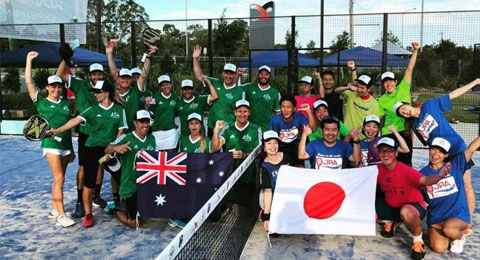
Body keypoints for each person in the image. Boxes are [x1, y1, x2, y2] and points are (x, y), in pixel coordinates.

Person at [394, 78, 480, 223]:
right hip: (441, 157)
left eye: (404, 109)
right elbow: (429, 142)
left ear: (407, 103)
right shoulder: (415, 126)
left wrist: (475, 82)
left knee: (465, 184)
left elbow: (453, 94)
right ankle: (442, 217)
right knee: (444, 187)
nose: (405, 113)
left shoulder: (430, 105)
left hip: (456, 150)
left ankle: (467, 224)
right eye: (402, 114)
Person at [49, 80, 127, 228]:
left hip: (110, 148)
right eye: (94, 92)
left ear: (107, 93)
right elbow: (75, 120)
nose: (95, 95)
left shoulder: (119, 109)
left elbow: (121, 130)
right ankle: (88, 213)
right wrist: (58, 130)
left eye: (98, 92)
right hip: (92, 148)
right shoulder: (92, 110)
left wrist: (113, 148)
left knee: (121, 177)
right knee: (89, 181)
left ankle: (123, 203)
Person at [375, 137, 450, 260]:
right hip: (392, 205)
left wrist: (439, 177)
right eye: (382, 151)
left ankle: (418, 241)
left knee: (406, 212)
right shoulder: (378, 169)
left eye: (389, 151)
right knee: (368, 212)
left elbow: (425, 180)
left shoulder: (406, 170)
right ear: (378, 153)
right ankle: (391, 221)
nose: (385, 154)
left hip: (412, 206)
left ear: (396, 153)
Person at [25, 51, 75, 227]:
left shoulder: (65, 103)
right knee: (59, 178)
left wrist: (72, 150)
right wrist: (29, 60)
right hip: (50, 144)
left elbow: (69, 124)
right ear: (47, 87)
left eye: (58, 86)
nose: (56, 89)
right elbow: (29, 82)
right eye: (52, 86)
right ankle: (61, 215)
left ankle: (54, 208)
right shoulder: (41, 101)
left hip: (66, 144)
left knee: (59, 179)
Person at [56, 57, 105, 217]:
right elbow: (59, 74)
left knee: (100, 165)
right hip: (85, 135)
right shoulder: (80, 85)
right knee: (83, 168)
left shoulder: (106, 89)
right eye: (94, 74)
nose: (97, 77)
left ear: (103, 75)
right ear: (90, 75)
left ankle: (96, 196)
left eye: (99, 74)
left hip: (103, 135)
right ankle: (80, 201)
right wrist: (66, 57)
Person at [420, 136, 480, 254]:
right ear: (429, 150)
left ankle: (460, 235)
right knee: (439, 248)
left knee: (449, 229)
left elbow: (471, 149)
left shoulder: (456, 164)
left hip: (457, 214)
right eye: (433, 149)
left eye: (441, 151)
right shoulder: (422, 174)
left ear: (446, 155)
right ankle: (446, 231)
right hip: (437, 217)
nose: (436, 154)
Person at [104, 110, 156, 228]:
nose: (145, 125)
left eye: (147, 122)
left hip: (145, 184)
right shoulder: (126, 137)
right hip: (129, 186)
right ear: (135, 123)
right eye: (142, 122)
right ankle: (115, 210)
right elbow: (107, 149)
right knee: (135, 223)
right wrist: (116, 148)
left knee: (151, 212)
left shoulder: (152, 139)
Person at [211, 100, 261, 216]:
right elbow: (214, 148)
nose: (242, 114)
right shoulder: (228, 129)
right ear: (235, 112)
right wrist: (216, 131)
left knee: (243, 214)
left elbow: (259, 152)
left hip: (247, 175)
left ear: (249, 113)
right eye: (239, 111)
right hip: (229, 174)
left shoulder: (255, 129)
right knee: (219, 213)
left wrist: (244, 155)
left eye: (245, 111)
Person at [377, 42, 420, 166]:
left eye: (390, 81)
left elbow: (409, 69)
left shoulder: (403, 89)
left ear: (396, 82)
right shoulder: (381, 100)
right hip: (388, 132)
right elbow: (381, 118)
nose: (388, 84)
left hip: (404, 131)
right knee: (390, 164)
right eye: (385, 82)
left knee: (406, 163)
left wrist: (415, 50)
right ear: (383, 84)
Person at [193, 45, 245, 137]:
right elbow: (199, 76)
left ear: (234, 74)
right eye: (226, 73)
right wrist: (195, 59)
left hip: (229, 128)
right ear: (223, 73)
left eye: (231, 74)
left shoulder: (239, 91)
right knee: (212, 151)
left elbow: (240, 111)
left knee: (228, 152)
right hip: (212, 126)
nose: (228, 76)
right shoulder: (215, 83)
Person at [269, 95, 316, 167]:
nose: (285, 110)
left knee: (304, 139)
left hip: (295, 145)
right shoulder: (275, 120)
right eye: (283, 107)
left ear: (294, 109)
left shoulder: (299, 117)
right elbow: (272, 139)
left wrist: (309, 112)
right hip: (281, 146)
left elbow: (312, 129)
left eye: (289, 107)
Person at [258, 130, 289, 232]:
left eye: (275, 142)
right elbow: (267, 192)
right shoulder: (264, 167)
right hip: (270, 196)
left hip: (284, 195)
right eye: (269, 143)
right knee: (275, 230)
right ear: (264, 147)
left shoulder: (285, 157)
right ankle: (264, 212)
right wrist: (267, 216)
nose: (273, 146)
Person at [335, 71, 380, 136]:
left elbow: (375, 123)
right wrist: (347, 87)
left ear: (369, 89)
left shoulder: (374, 103)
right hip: (346, 134)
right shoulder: (351, 94)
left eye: (362, 88)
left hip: (361, 137)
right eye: (358, 86)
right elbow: (336, 90)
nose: (359, 90)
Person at [240, 65, 281, 132]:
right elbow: (233, 87)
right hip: (250, 128)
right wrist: (237, 74)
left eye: (266, 74)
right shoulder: (249, 87)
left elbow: (278, 113)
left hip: (267, 129)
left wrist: (277, 129)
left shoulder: (275, 93)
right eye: (261, 74)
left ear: (270, 76)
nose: (263, 76)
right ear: (258, 75)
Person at [145, 75, 179, 151]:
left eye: (167, 84)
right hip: (157, 131)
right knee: (158, 156)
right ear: (160, 87)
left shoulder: (175, 97)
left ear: (171, 84)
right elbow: (147, 109)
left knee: (170, 155)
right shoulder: (155, 98)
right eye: (162, 85)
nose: (165, 87)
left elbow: (177, 112)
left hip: (171, 131)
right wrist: (147, 102)